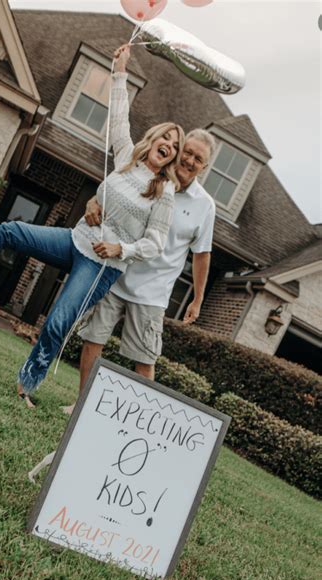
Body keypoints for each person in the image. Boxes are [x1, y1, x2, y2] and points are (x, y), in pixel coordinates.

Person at [0, 45, 185, 407]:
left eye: (175, 148)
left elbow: (156, 244)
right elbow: (118, 118)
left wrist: (120, 250)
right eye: (167, 140)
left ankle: (27, 386)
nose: (169, 148)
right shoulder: (128, 158)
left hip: (101, 266)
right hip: (74, 239)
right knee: (11, 231)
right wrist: (119, 71)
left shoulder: (165, 191)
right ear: (155, 138)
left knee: (56, 323)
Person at [63, 128, 216, 412]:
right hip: (115, 273)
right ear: (179, 150)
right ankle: (81, 406)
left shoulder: (205, 205)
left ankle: (133, 421)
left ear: (204, 167)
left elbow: (201, 255)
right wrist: (94, 201)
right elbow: (116, 192)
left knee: (144, 360)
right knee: (92, 338)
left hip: (153, 294)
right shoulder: (152, 177)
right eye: (188, 152)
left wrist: (197, 298)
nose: (190, 160)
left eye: (198, 158)